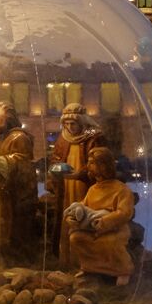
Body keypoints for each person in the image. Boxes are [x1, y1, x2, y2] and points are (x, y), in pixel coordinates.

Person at [65, 147, 136, 285]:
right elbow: (83, 207)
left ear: (104, 165)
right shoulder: (93, 189)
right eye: (89, 162)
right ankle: (90, 268)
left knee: (110, 242)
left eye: (93, 163)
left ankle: (122, 271)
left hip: (115, 229)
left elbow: (124, 213)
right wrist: (73, 216)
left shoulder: (121, 189)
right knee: (75, 238)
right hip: (92, 227)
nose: (89, 166)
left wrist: (104, 222)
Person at [0, 100, 37, 264]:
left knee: (14, 230)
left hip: (16, 197)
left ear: (9, 117)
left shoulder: (20, 138)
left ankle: (17, 261)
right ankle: (0, 257)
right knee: (0, 227)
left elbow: (23, 166)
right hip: (1, 192)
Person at [46, 103, 103, 266]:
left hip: (85, 187)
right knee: (67, 218)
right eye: (67, 124)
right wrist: (55, 170)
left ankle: (85, 260)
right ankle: (66, 258)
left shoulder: (93, 138)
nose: (70, 127)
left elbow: (98, 162)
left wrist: (81, 174)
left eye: (73, 124)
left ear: (82, 122)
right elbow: (56, 158)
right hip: (66, 186)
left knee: (83, 217)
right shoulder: (63, 138)